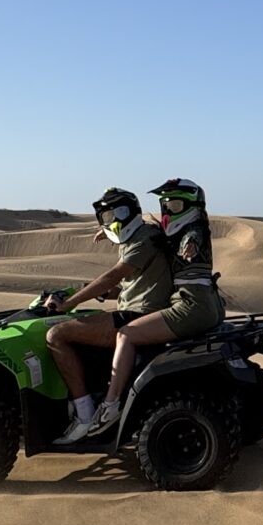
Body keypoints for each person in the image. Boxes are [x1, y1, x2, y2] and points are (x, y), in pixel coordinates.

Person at [38, 187, 173, 445]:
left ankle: (85, 415)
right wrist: (102, 294)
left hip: (139, 315)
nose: (110, 222)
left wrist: (69, 303)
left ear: (128, 212)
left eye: (114, 214)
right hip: (137, 308)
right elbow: (134, 284)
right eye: (106, 216)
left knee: (57, 334)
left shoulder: (143, 240)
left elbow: (113, 276)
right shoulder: (142, 237)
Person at [100, 177, 224, 417]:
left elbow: (194, 235)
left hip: (191, 306)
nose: (167, 210)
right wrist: (108, 231)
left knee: (126, 335)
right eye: (165, 205)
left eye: (175, 206)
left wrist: (191, 245)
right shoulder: (176, 234)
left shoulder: (194, 230)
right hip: (210, 305)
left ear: (192, 206)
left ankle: (110, 403)